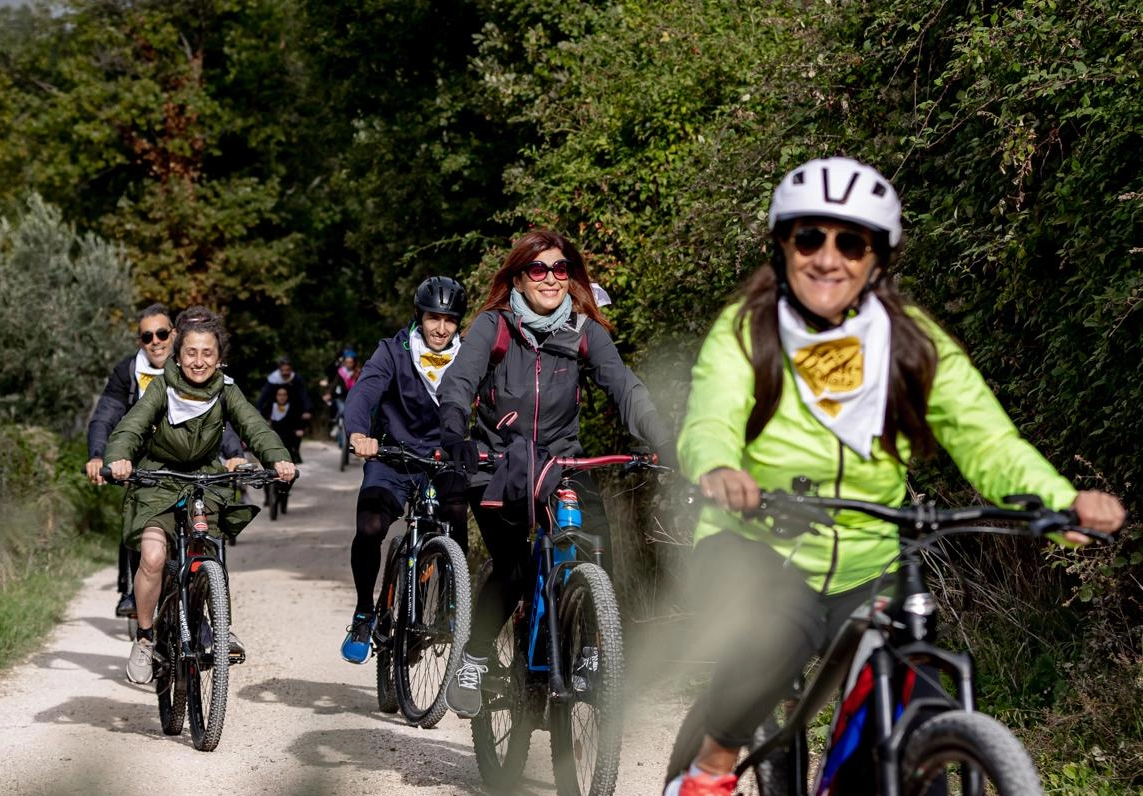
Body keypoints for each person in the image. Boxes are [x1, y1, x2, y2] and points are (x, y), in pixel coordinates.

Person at [662, 157, 1126, 796]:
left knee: (914, 699)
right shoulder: (748, 331)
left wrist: (1061, 502)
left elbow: (985, 438)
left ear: (877, 258)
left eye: (850, 242)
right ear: (782, 245)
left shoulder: (909, 341)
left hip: (869, 553)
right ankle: (712, 764)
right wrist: (719, 468)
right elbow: (712, 414)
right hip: (757, 538)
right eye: (809, 238)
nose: (829, 258)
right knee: (773, 632)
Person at [435, 230, 675, 718]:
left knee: (596, 544)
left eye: (560, 269)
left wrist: (665, 440)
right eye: (538, 270)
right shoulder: (492, 327)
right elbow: (459, 382)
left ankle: (589, 649)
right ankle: (476, 657)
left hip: (563, 459)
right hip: (498, 462)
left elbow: (625, 388)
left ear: (571, 277)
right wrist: (455, 433)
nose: (550, 278)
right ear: (519, 279)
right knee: (514, 567)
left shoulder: (585, 333)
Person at [104, 311, 297, 685]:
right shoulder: (162, 387)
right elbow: (132, 425)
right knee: (154, 555)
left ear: (218, 356)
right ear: (178, 355)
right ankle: (145, 639)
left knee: (208, 545)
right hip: (158, 477)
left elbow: (254, 426)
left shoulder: (226, 389)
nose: (198, 361)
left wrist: (279, 458)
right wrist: (118, 459)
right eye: (191, 352)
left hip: (204, 478)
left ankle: (220, 627)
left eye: (207, 353)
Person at [339, 276, 471, 664]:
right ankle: (364, 612)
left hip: (443, 460)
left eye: (450, 320)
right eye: (433, 318)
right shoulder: (393, 351)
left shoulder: (468, 356)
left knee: (455, 514)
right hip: (392, 455)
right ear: (419, 316)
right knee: (371, 527)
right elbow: (364, 391)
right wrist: (359, 432)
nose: (441, 329)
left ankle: (451, 604)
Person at [85, 303, 173, 619]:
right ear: (140, 341)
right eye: (147, 336)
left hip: (185, 460)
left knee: (208, 532)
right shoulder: (128, 372)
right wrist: (97, 455)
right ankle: (131, 590)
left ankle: (215, 617)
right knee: (136, 513)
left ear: (174, 334)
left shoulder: (193, 365)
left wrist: (233, 455)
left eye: (161, 333)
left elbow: (222, 415)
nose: (155, 341)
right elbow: (105, 416)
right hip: (140, 462)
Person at [257, 356, 313, 462]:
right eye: (283, 370)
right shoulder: (273, 379)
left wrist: (307, 409)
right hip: (275, 408)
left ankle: (295, 450)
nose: (285, 373)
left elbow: (303, 395)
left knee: (298, 428)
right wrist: (258, 410)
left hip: (292, 408)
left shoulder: (296, 379)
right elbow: (264, 396)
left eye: (288, 370)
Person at [262, 385, 306, 462]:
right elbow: (262, 418)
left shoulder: (293, 407)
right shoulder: (270, 406)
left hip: (289, 434)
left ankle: (294, 454)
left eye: (284, 395)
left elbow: (299, 420)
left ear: (287, 396)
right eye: (279, 395)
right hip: (275, 432)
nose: (282, 397)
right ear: (276, 396)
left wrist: (300, 429)